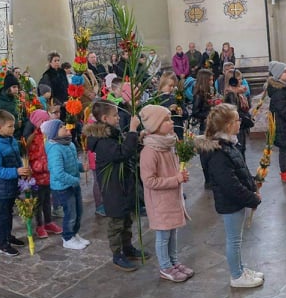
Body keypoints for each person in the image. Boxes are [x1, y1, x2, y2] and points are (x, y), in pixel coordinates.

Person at [195, 104, 263, 288]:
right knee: (234, 240)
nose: (239, 122)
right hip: (230, 202)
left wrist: (253, 181)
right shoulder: (218, 152)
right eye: (236, 120)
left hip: (236, 201)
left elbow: (238, 170)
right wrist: (252, 198)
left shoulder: (228, 144)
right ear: (226, 125)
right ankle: (236, 276)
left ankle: (240, 269)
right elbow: (230, 184)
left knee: (237, 238)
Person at [85, 101, 145, 271]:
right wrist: (133, 130)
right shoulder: (101, 141)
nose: (118, 117)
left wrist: (136, 138)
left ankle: (128, 248)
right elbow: (121, 153)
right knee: (117, 223)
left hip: (123, 185)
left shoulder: (111, 133)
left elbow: (125, 147)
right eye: (115, 115)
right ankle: (117, 254)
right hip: (113, 188)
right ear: (105, 118)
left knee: (127, 219)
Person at [139, 105, 193, 283]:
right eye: (167, 120)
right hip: (160, 201)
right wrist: (175, 179)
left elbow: (173, 169)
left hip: (172, 198)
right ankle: (165, 266)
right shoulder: (150, 151)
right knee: (163, 236)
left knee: (173, 232)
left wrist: (181, 173)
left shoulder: (168, 144)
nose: (171, 122)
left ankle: (174, 262)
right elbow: (149, 181)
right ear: (155, 125)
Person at [0, 109, 32, 257]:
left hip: (13, 183)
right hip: (3, 185)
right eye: (10, 126)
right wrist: (16, 172)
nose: (13, 129)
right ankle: (2, 243)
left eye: (13, 126)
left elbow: (17, 158)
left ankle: (8, 236)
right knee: (3, 214)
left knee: (9, 212)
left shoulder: (11, 139)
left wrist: (23, 171)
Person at [42, 119, 89, 250]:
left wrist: (81, 167)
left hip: (73, 183)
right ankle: (67, 238)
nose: (65, 127)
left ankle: (74, 234)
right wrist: (74, 180)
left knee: (79, 211)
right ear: (53, 133)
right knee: (71, 213)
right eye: (61, 127)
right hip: (63, 187)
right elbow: (58, 172)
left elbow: (73, 163)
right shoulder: (55, 149)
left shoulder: (69, 144)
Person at [26, 110, 62, 239]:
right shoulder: (33, 139)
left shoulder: (51, 136)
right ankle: (39, 225)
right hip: (37, 177)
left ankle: (48, 222)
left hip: (49, 177)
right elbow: (32, 159)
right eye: (44, 121)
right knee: (38, 202)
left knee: (48, 200)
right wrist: (44, 166)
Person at [192, 68, 215, 188]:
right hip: (204, 127)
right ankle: (208, 180)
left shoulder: (210, 91)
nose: (212, 82)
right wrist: (209, 114)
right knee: (205, 155)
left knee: (213, 154)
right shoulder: (199, 95)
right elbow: (195, 112)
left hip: (212, 126)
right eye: (210, 80)